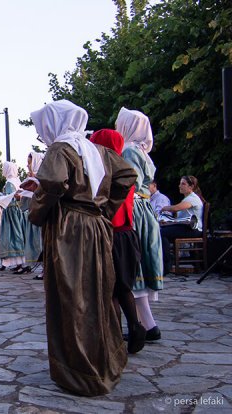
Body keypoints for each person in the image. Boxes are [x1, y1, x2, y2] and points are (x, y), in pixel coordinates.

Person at [29, 100, 137, 396]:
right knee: (97, 292)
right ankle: (104, 361)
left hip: (70, 229)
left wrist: (36, 212)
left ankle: (81, 371)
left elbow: (52, 183)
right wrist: (104, 208)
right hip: (97, 228)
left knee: (72, 294)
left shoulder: (61, 149)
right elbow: (127, 176)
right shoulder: (96, 150)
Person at [90, 129, 146, 354]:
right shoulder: (125, 169)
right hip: (127, 234)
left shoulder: (105, 172)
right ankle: (135, 325)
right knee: (124, 287)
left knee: (110, 289)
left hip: (111, 234)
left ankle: (114, 337)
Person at [116, 107, 164, 342]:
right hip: (143, 209)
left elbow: (128, 184)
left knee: (132, 265)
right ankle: (148, 325)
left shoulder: (129, 151)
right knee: (137, 268)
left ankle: (143, 326)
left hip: (133, 209)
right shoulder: (142, 151)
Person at [159, 176, 205, 275]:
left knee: (161, 233)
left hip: (193, 229)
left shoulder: (192, 198)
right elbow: (179, 219)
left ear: (191, 186)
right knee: (162, 231)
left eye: (183, 184)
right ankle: (166, 263)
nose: (180, 186)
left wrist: (164, 208)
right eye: (180, 183)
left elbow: (176, 208)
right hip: (187, 227)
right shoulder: (188, 198)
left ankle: (166, 265)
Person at [0, 161, 26, 272]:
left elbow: (9, 198)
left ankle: (21, 263)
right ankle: (19, 263)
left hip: (11, 212)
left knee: (14, 236)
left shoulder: (9, 182)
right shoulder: (17, 181)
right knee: (19, 234)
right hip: (18, 210)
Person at [19, 152, 44, 276]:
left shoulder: (43, 177)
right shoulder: (31, 177)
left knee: (40, 240)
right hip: (32, 211)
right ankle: (30, 265)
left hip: (40, 213)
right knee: (33, 240)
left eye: (29, 163)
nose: (27, 165)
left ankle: (45, 269)